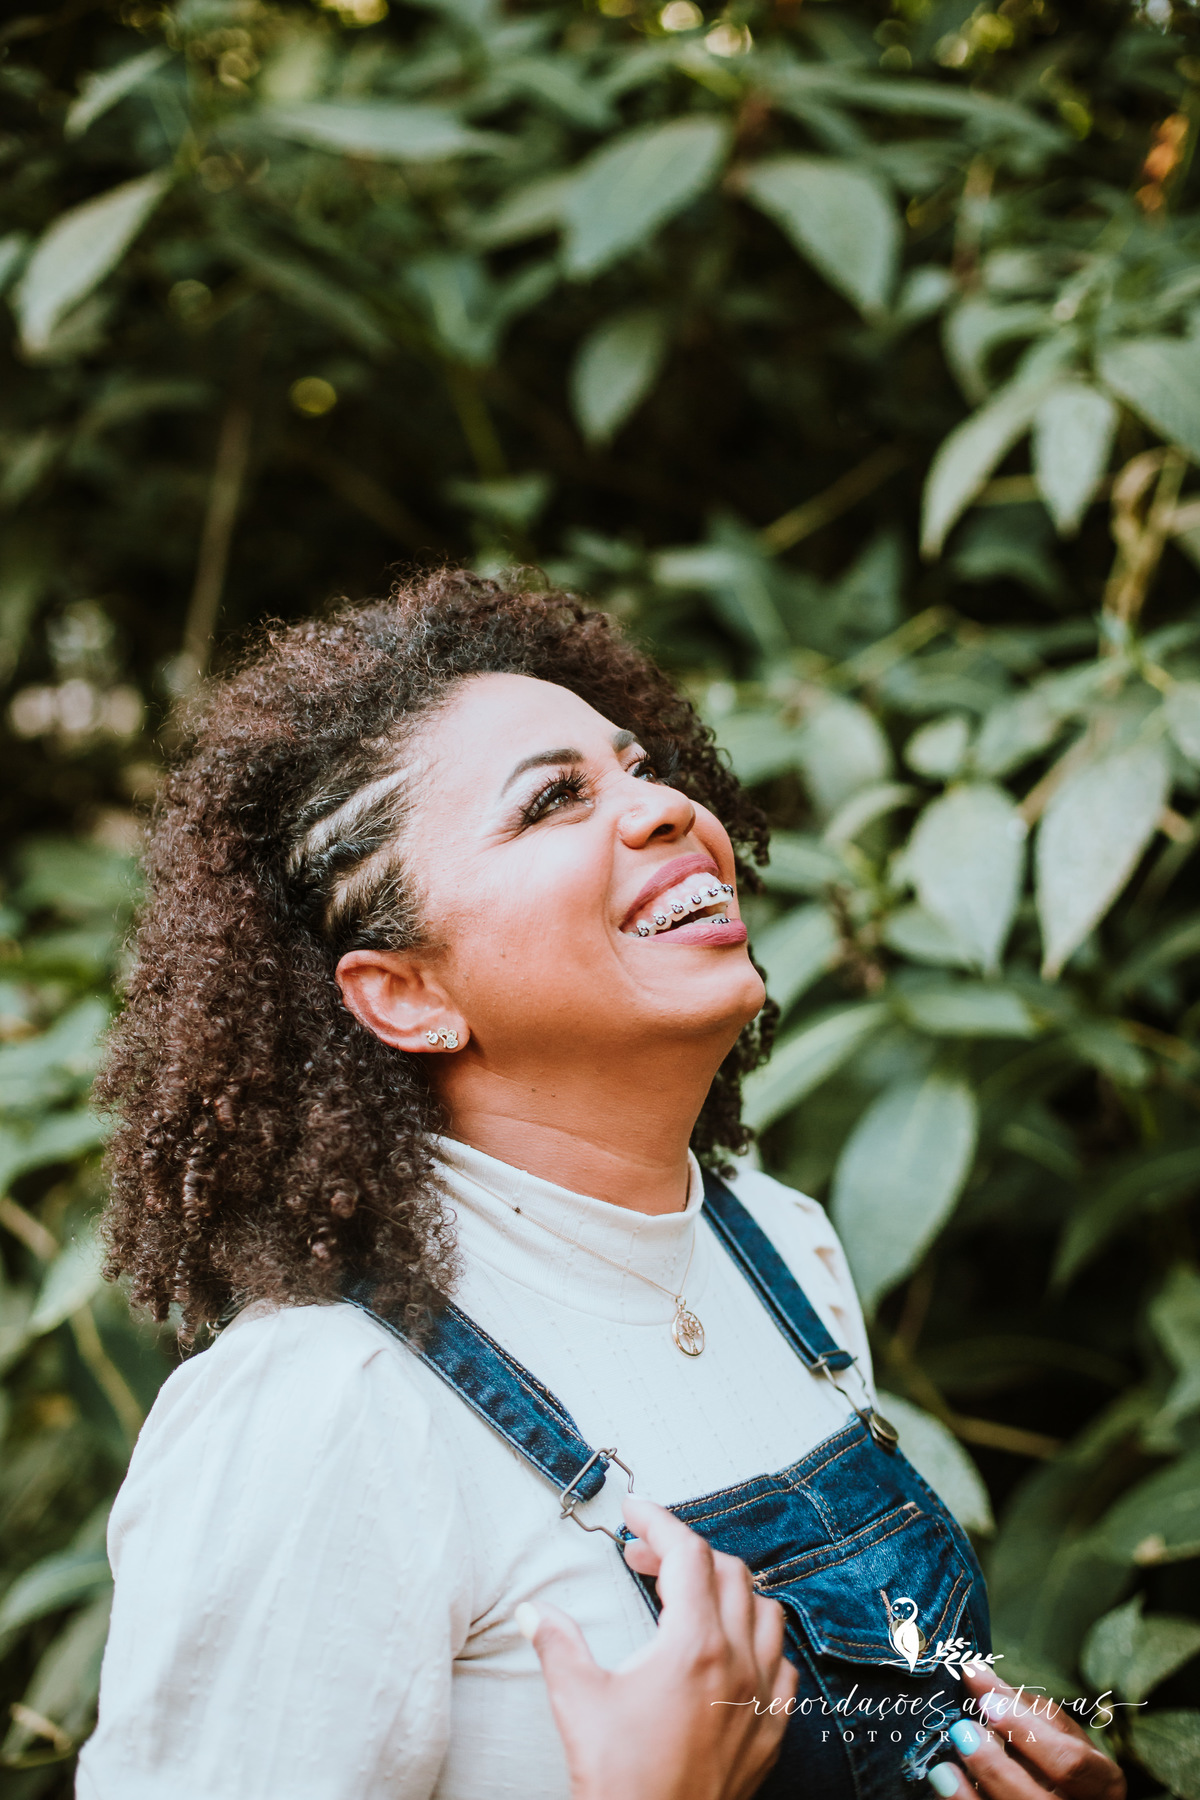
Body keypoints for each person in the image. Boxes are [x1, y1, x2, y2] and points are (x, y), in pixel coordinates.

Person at [76, 573, 1123, 1800]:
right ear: (409, 996)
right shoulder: (326, 1410)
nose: (665, 808)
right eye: (554, 801)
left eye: (641, 768)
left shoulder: (784, 1252)